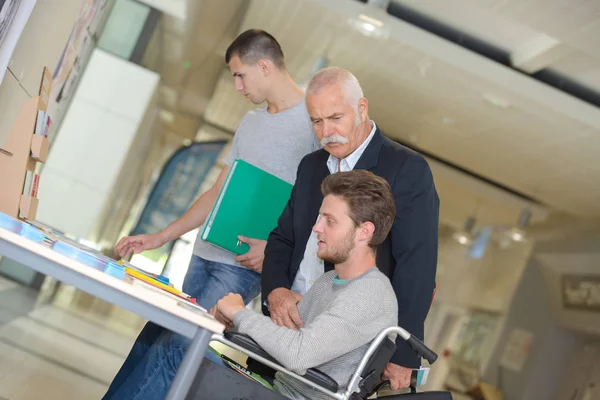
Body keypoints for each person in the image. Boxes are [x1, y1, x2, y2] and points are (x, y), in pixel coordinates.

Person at [103, 29, 319, 400]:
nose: (237, 86)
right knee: (154, 338)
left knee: (179, 349)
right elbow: (218, 191)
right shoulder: (251, 123)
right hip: (204, 255)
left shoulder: (314, 128)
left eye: (240, 75)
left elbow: (319, 213)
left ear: (265, 66)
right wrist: (161, 237)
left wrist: (274, 251)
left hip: (240, 266)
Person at [261, 67, 440, 391]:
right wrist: (275, 292)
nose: (327, 131)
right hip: (286, 324)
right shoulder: (311, 166)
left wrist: (402, 353)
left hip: (344, 346)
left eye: (335, 118)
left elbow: (417, 265)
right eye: (316, 121)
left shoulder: (407, 170)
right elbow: (283, 238)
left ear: (361, 108)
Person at [211, 170, 399, 400]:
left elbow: (298, 354)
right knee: (182, 347)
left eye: (330, 221)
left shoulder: (370, 295)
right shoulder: (329, 281)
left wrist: (239, 313)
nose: (316, 227)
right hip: (278, 389)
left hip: (290, 396)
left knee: (177, 351)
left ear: (365, 231)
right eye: (320, 218)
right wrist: (233, 323)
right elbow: (285, 338)